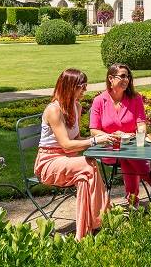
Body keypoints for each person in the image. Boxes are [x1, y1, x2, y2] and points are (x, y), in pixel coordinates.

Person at [34, 68, 110, 239]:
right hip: (49, 162)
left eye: (85, 86)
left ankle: (91, 225)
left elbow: (76, 139)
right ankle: (96, 223)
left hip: (68, 160)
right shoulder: (54, 110)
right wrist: (95, 141)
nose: (85, 90)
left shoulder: (77, 106)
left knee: (87, 168)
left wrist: (103, 139)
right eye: (82, 86)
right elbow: (67, 145)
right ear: (70, 86)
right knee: (87, 165)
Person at [90, 63, 151, 204]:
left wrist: (140, 134)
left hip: (131, 146)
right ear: (111, 78)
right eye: (123, 76)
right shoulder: (99, 101)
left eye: (128, 77)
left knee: (128, 157)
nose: (127, 80)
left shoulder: (135, 99)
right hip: (109, 148)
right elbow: (94, 130)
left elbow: (141, 123)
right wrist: (112, 137)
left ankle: (132, 201)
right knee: (129, 157)